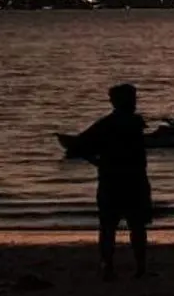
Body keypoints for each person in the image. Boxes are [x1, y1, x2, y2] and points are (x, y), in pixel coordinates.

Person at [64, 81, 152, 279]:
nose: (135, 102)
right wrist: (98, 162)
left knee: (111, 227)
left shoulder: (109, 123)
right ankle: (136, 268)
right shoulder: (132, 122)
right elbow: (79, 146)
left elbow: (78, 145)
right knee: (133, 226)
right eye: (132, 98)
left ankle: (113, 268)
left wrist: (97, 162)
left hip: (114, 180)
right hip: (130, 181)